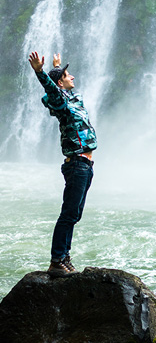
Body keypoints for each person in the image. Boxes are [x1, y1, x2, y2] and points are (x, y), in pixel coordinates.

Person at [29, 51, 97, 275]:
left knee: (74, 215)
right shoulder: (61, 103)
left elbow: (63, 89)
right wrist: (41, 72)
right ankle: (57, 260)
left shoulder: (73, 99)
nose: (73, 77)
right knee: (68, 214)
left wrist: (58, 68)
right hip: (77, 164)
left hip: (85, 165)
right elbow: (52, 91)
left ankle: (64, 257)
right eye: (68, 75)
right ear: (60, 82)